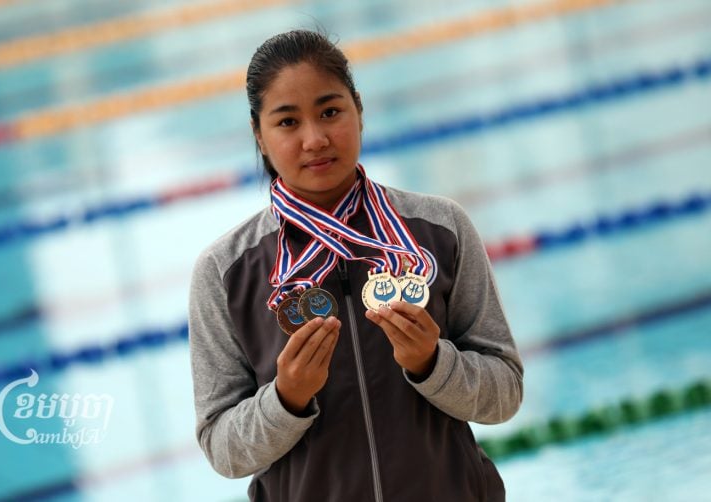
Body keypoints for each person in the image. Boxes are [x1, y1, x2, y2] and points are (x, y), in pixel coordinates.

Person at [189, 29, 523, 502]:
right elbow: (223, 450)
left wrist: (433, 364)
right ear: (258, 135)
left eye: (330, 112)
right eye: (288, 122)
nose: (315, 139)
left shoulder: (439, 230)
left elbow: (505, 392)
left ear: (359, 111)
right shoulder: (226, 273)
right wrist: (286, 397)